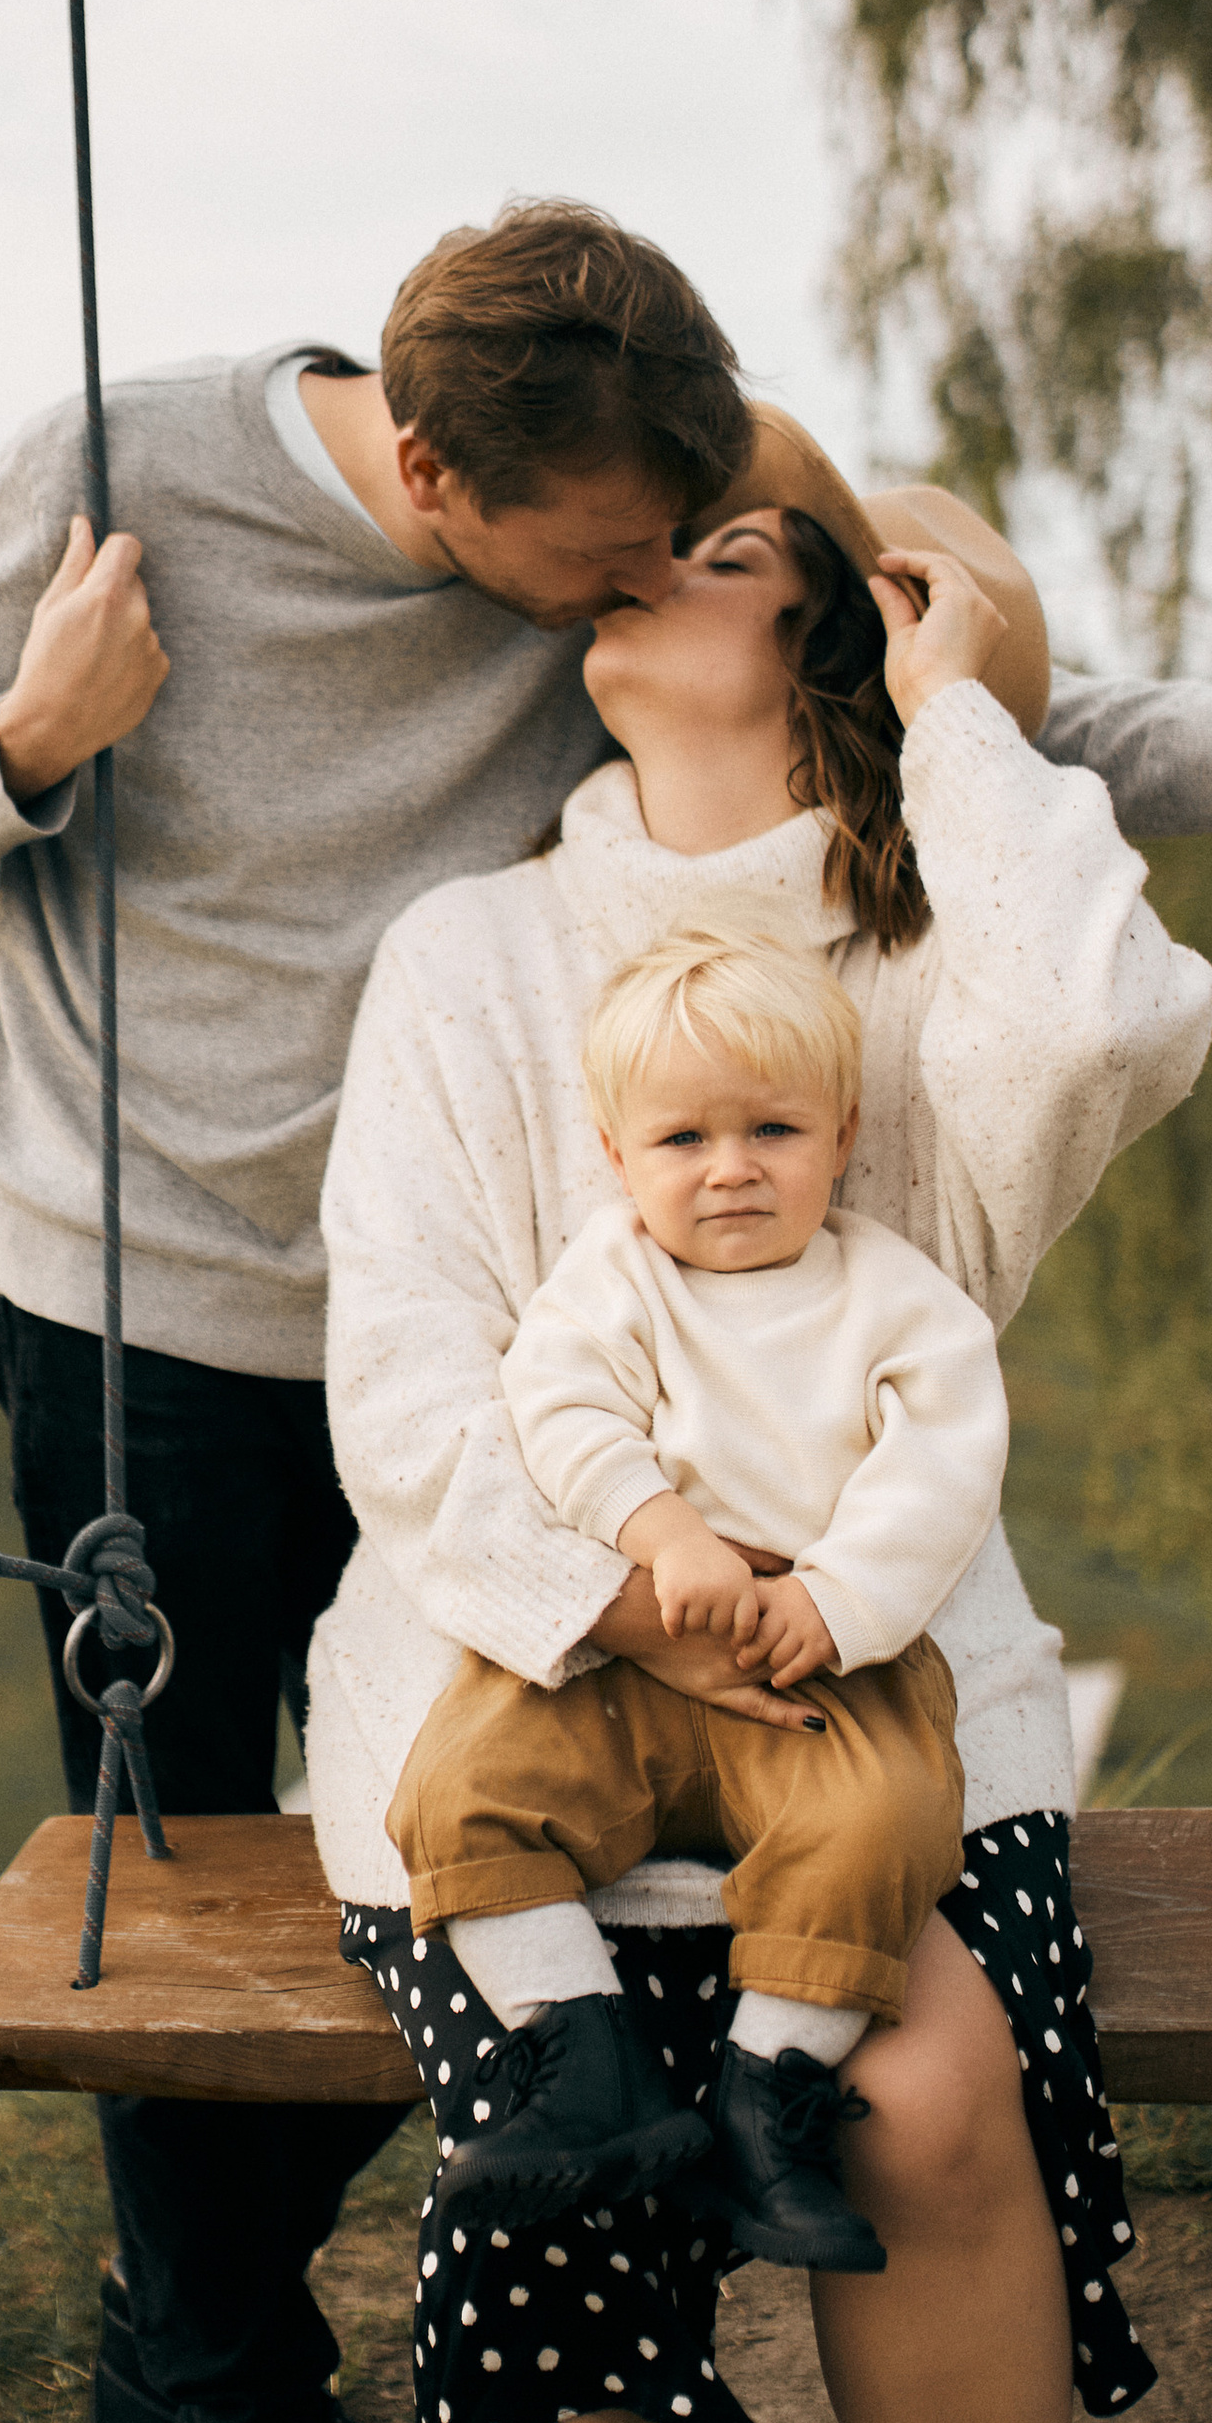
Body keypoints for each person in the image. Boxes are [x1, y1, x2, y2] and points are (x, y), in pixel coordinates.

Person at [0, 201, 1212, 2423]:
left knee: (513, 1901)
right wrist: (26, 738)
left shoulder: (637, 513)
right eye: (612, 559)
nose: (647, 573)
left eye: (698, 549)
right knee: (214, 1849)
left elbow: (918, 670)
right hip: (170, 1304)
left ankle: (249, 2353)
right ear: (440, 489)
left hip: (609, 1374)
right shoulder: (149, 518)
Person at [306, 414, 1212, 2423]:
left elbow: (1117, 1009)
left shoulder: (934, 957)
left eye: (731, 548)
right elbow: (398, 1383)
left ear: (840, 625)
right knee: (553, 2150)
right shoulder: (469, 959)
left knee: (933, 2089)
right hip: (516, 1676)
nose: (636, 570)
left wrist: (972, 705)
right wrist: (628, 1590)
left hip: (875, 1669)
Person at [394, 923, 1009, 2269]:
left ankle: (759, 2097)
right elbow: (556, 1410)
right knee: (461, 1786)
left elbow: (941, 1468)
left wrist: (841, 1599)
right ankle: (585, 2060)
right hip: (634, 1634)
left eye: (773, 1130)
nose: (731, 1168)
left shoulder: (895, 1300)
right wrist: (656, 1528)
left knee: (886, 1821)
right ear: (617, 1157)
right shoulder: (611, 1280)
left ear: (841, 1136)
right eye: (684, 1141)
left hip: (815, 1650)